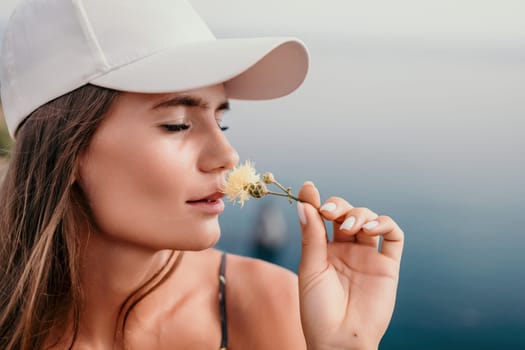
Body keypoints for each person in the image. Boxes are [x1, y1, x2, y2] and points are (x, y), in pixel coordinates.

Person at [0, 0, 404, 349]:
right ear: (65, 153)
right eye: (177, 123)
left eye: (221, 122)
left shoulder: (274, 305)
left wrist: (341, 344)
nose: (227, 156)